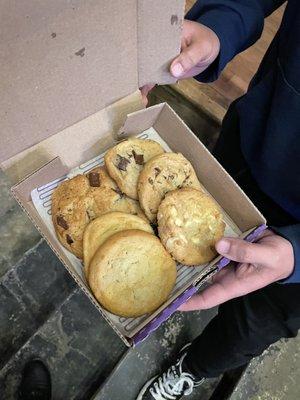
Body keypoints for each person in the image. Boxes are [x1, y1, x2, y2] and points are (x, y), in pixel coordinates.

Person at [137, 0, 300, 399]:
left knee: (247, 328)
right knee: (198, 250)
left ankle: (191, 367)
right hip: (249, 144)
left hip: (295, 275)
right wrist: (221, 25)